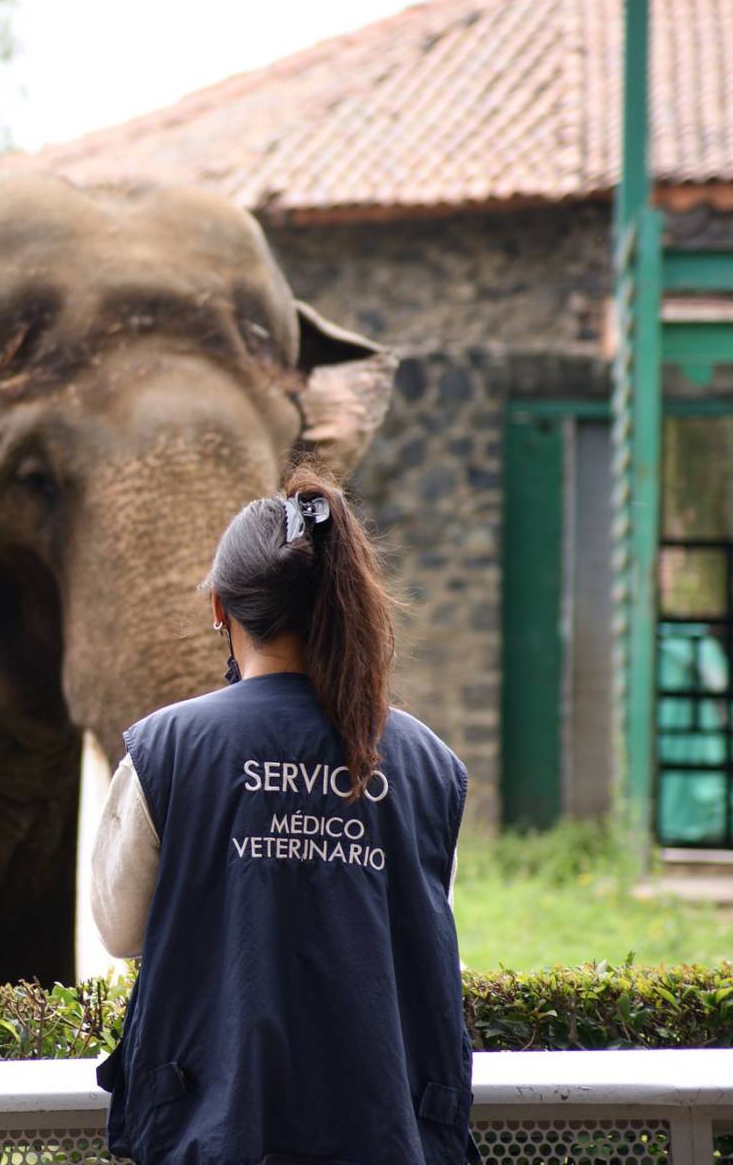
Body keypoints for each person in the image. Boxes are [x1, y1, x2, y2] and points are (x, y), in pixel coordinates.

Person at [90, 465, 473, 1165]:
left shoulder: (166, 749)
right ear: (342, 601)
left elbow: (120, 932)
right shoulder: (429, 764)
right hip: (389, 1135)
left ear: (219, 610)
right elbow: (427, 925)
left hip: (215, 1131)